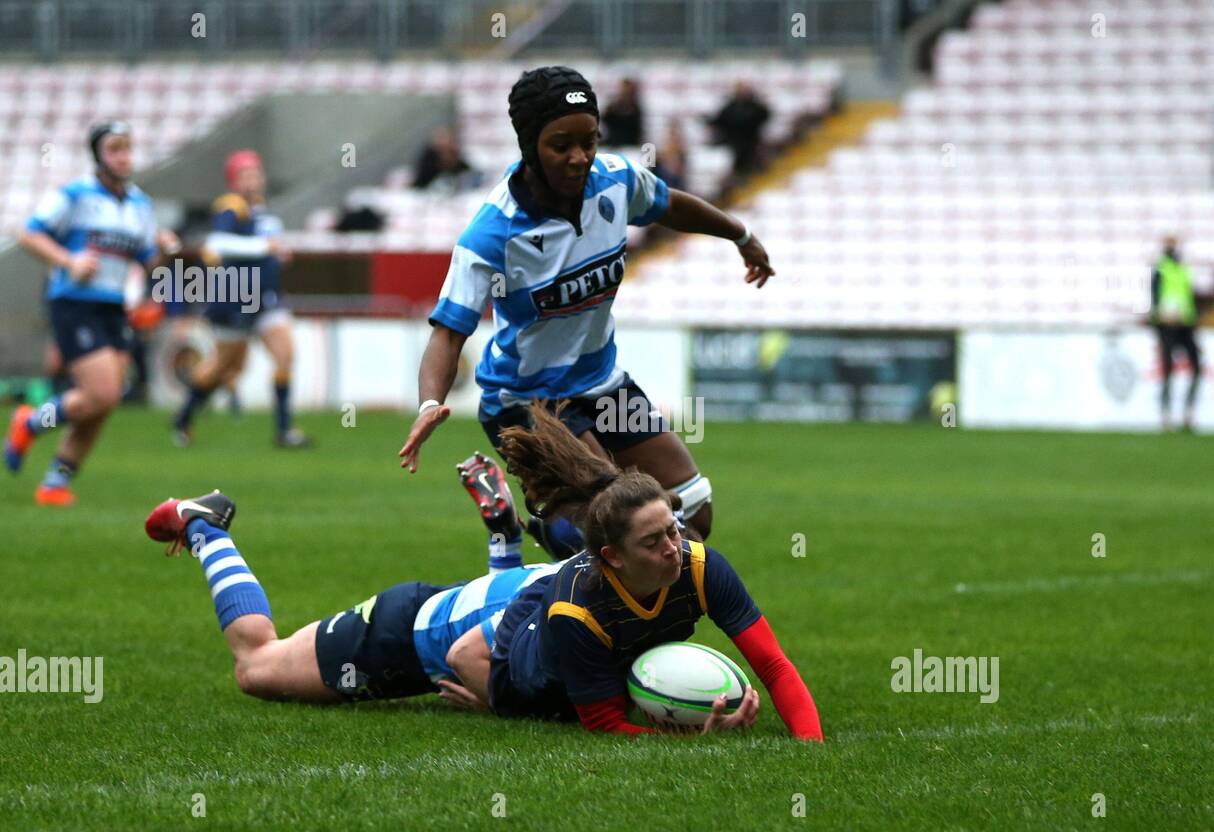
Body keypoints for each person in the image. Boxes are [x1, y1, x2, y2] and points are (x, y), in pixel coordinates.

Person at [398, 65, 775, 559]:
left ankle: (543, 517)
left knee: (695, 517)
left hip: (603, 383)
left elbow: (670, 204)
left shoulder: (614, 182)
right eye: (562, 145)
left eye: (589, 140)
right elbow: (448, 333)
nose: (580, 158)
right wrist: (430, 405)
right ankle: (530, 530)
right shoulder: (492, 235)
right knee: (615, 532)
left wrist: (739, 235)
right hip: (529, 401)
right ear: (530, 144)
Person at [448, 400, 824, 740]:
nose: (673, 548)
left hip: (559, 594)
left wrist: (810, 744)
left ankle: (519, 533)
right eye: (652, 541)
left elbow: (773, 664)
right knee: (451, 650)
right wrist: (690, 734)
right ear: (613, 556)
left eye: (673, 531)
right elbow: (604, 722)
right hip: (520, 655)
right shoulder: (576, 609)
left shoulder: (699, 566)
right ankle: (507, 537)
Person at [141, 451, 561, 708]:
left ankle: (504, 541)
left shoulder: (595, 570)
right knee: (256, 666)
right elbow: (466, 655)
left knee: (512, 619)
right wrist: (498, 698)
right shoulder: (595, 588)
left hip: (453, 609)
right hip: (402, 635)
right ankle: (203, 526)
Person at [6, 122, 176, 505]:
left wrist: (164, 248)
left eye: (128, 148)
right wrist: (69, 259)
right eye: (115, 149)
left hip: (113, 307)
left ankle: (55, 482)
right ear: (99, 155)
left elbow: (149, 261)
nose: (124, 156)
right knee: (102, 392)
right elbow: (28, 233)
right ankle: (31, 423)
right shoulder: (75, 194)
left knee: (102, 402)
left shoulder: (140, 205)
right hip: (75, 303)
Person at [172, 149, 311, 448]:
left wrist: (277, 255)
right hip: (237, 297)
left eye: (256, 174)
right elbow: (219, 243)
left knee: (285, 354)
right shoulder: (230, 207)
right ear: (234, 181)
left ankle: (284, 430)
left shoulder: (261, 210)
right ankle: (184, 417)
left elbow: (265, 248)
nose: (253, 180)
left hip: (267, 298)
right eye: (245, 175)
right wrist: (265, 248)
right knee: (225, 367)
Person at [1149, 236, 1201, 431]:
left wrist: (1192, 318)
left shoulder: (1184, 269)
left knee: (1197, 369)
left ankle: (1188, 413)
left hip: (1186, 324)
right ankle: (1166, 415)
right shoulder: (1161, 268)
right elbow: (1154, 297)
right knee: (1168, 369)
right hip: (1167, 325)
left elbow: (1189, 295)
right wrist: (1160, 317)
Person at [708, 81, 771, 176]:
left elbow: (764, 115)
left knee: (751, 164)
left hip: (751, 141)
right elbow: (720, 120)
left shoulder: (755, 106)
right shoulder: (731, 106)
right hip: (734, 142)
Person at [600, 77, 644, 148]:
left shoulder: (635, 107)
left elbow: (635, 128)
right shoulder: (613, 105)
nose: (625, 91)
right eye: (623, 88)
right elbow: (605, 119)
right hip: (612, 142)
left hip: (630, 143)